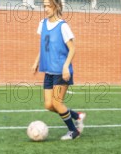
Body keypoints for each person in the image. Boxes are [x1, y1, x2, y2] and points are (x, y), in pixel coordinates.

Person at [32, 0, 85, 140]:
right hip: (49, 71)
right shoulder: (42, 24)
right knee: (49, 105)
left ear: (56, 7)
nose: (46, 9)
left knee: (57, 102)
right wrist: (37, 61)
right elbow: (43, 46)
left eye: (49, 6)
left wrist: (66, 66)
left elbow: (72, 48)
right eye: (44, 6)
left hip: (62, 71)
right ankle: (77, 116)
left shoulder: (63, 26)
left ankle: (74, 131)